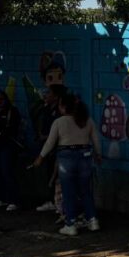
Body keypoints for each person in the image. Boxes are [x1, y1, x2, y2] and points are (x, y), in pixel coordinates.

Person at [34, 93, 102, 237]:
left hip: (66, 157)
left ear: (63, 107)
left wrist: (40, 157)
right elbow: (96, 140)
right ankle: (93, 220)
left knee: (68, 192)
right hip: (85, 155)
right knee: (85, 190)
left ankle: (70, 224)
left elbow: (49, 143)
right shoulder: (87, 120)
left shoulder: (59, 122)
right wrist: (98, 155)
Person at [0, 90, 23, 211]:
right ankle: (3, 197)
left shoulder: (12, 112)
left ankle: (14, 199)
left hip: (7, 144)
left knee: (7, 171)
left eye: (1, 99)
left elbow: (12, 128)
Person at [36, 84, 66, 212]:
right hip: (48, 146)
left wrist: (47, 137)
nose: (45, 95)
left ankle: (59, 203)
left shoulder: (61, 113)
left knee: (57, 176)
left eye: (49, 93)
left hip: (57, 148)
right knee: (50, 174)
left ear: (56, 96)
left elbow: (59, 133)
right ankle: (54, 200)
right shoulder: (46, 109)